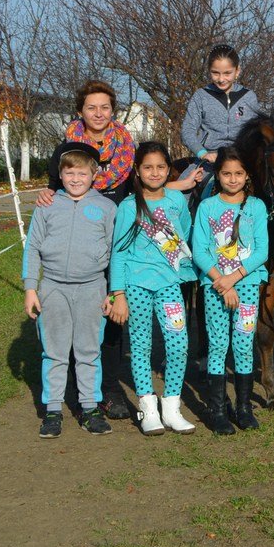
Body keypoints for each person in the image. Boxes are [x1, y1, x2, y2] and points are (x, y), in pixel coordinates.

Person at [37, 80, 201, 421]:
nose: (99, 113)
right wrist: (47, 193)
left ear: (113, 111)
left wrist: (178, 185)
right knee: (76, 325)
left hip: (122, 241)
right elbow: (58, 184)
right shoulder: (69, 151)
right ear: (80, 111)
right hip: (87, 242)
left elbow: (144, 186)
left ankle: (107, 390)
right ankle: (75, 390)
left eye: (105, 107)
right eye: (91, 107)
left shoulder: (126, 145)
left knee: (111, 322)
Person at [24, 145, 118, 438]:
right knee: (54, 352)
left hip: (92, 288)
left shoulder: (107, 208)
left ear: (94, 174)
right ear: (60, 175)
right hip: (52, 288)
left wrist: (113, 292)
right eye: (69, 172)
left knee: (89, 351)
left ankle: (89, 407)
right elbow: (33, 248)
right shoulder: (47, 205)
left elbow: (117, 254)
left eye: (82, 172)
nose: (75, 179)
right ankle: (52, 409)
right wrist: (30, 288)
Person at [109, 142, 198, 436]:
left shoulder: (177, 201)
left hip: (169, 285)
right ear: (137, 170)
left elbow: (184, 235)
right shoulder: (127, 206)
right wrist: (118, 295)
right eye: (148, 167)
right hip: (136, 286)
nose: (155, 172)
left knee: (178, 343)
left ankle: (171, 407)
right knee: (141, 346)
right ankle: (148, 409)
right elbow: (118, 253)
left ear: (168, 169)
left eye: (161, 166)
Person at [190, 147, 269, 435]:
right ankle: (217, 409)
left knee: (244, 343)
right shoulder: (208, 207)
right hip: (214, 287)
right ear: (218, 175)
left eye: (238, 173)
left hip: (246, 286)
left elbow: (262, 250)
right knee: (218, 345)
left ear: (247, 175)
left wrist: (234, 278)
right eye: (226, 173)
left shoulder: (256, 207)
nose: (232, 179)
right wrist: (220, 281)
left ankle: (244, 407)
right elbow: (198, 249)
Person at [180, 44, 262, 191]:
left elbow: (256, 132)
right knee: (182, 191)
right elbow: (188, 130)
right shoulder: (200, 96)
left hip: (242, 161)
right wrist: (203, 153)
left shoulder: (249, 97)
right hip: (209, 162)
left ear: (237, 71)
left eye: (227, 73)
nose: (221, 79)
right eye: (215, 73)